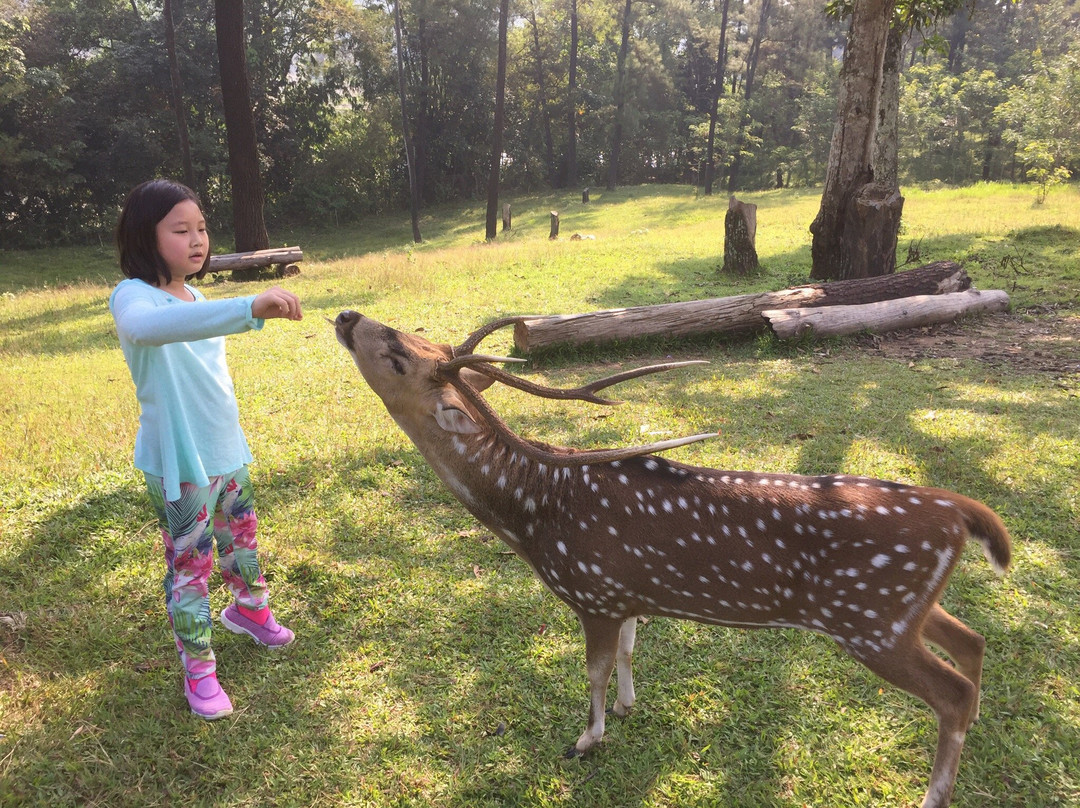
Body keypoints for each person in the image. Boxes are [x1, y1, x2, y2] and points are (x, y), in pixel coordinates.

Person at [109, 179, 302, 720]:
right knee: (191, 566)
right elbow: (148, 329)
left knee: (242, 542)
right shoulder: (132, 297)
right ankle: (199, 670)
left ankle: (250, 610)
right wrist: (246, 306)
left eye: (201, 228)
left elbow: (210, 375)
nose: (197, 240)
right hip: (180, 462)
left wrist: (234, 442)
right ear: (145, 236)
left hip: (226, 451)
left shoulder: (196, 297)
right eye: (180, 230)